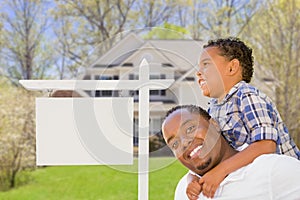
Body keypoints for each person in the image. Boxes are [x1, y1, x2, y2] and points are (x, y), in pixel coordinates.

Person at [190, 37, 300, 198]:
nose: (198, 72)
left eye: (206, 65)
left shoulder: (246, 96)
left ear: (232, 67)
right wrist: (194, 178)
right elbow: (212, 150)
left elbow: (266, 145)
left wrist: (221, 171)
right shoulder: (213, 107)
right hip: (252, 181)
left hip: (282, 184)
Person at [161, 104, 300, 200]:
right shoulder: (184, 190)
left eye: (190, 128)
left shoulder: (273, 170)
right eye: (175, 143)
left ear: (214, 124)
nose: (184, 142)